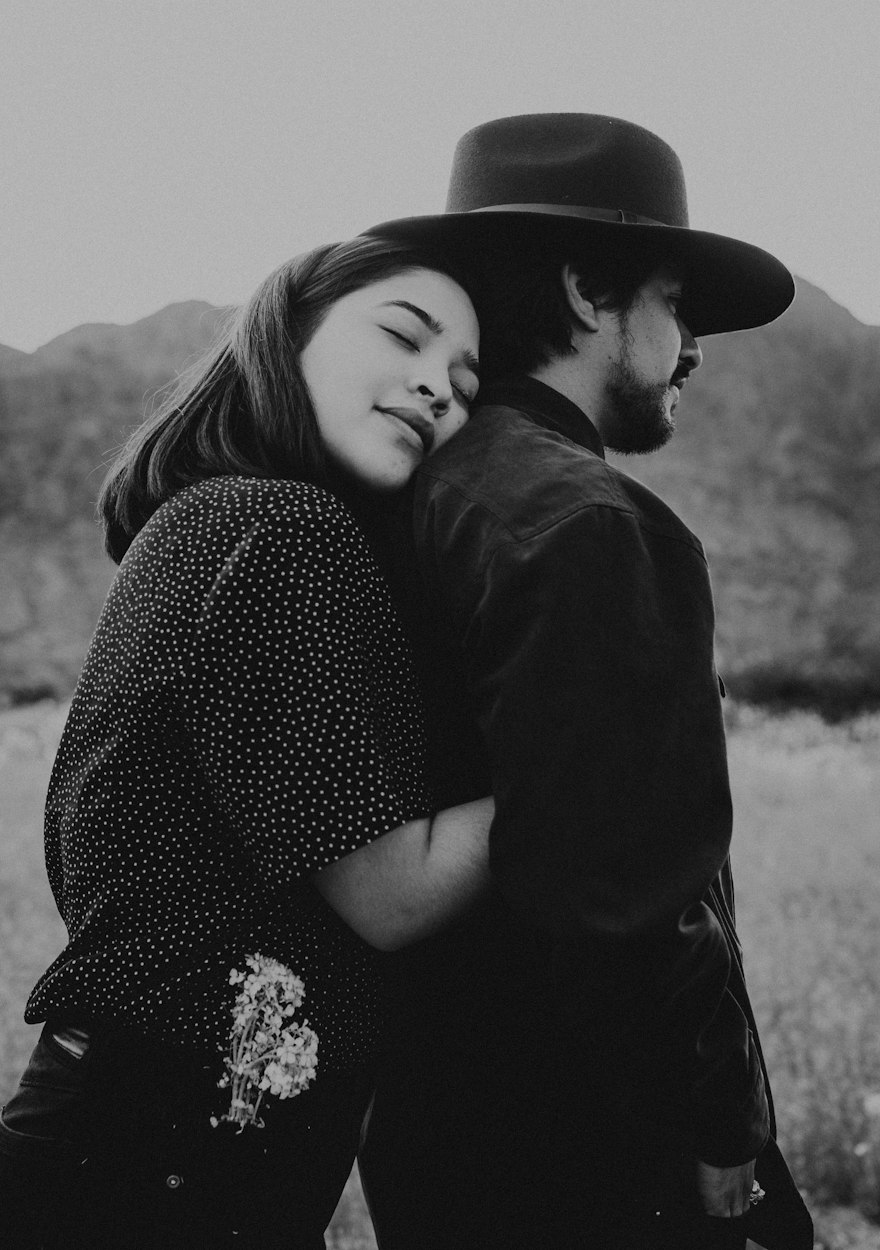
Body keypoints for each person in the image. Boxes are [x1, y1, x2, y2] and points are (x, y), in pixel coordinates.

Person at [0, 234, 494, 1250]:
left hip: (125, 1137)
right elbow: (391, 893)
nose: (436, 388)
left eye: (465, 382)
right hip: (155, 1169)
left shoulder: (201, 518)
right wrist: (584, 768)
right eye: (404, 335)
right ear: (284, 336)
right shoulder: (289, 533)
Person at [359, 114, 814, 1249]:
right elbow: (634, 899)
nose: (694, 347)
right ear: (582, 291)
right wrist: (724, 1137)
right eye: (675, 301)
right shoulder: (591, 524)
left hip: (433, 1131)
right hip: (600, 1155)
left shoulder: (401, 500)